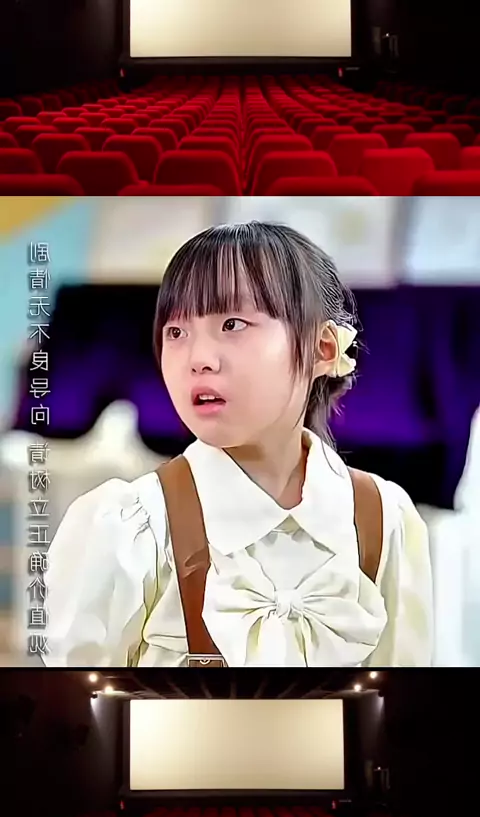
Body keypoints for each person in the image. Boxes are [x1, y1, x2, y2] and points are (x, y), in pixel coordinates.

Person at [42, 221, 433, 667]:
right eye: (176, 332)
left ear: (323, 349)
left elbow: (401, 702)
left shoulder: (382, 519)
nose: (199, 360)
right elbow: (78, 707)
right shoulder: (133, 527)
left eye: (232, 324)